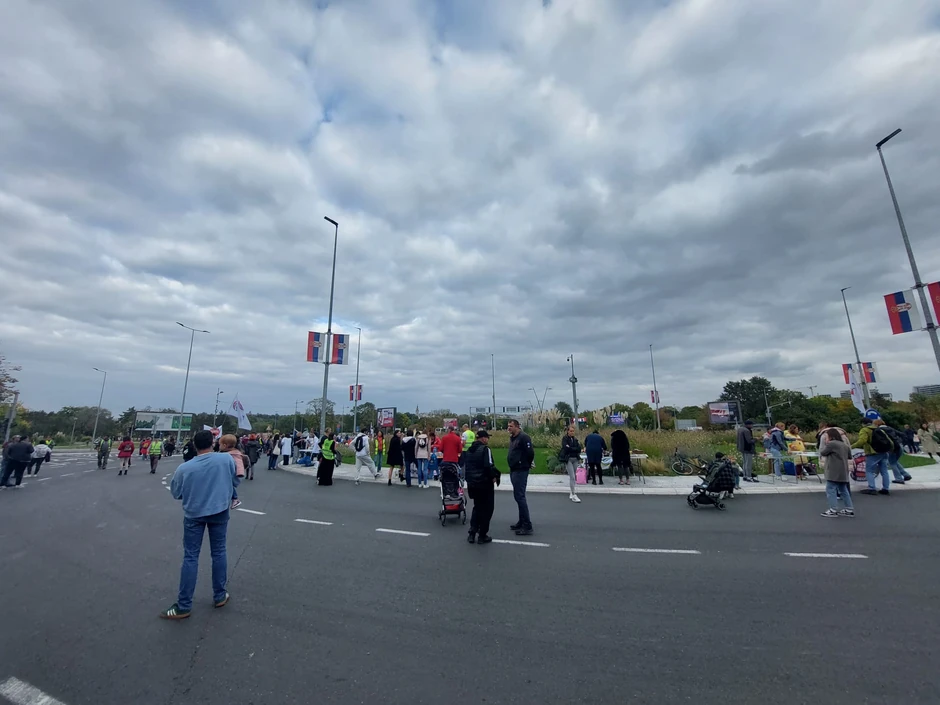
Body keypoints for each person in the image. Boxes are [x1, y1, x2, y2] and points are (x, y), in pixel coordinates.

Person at [160, 430, 237, 620]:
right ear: (213, 443)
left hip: (194, 514)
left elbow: (176, 493)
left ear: (194, 445)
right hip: (220, 511)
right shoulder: (225, 460)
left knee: (191, 557)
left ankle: (184, 605)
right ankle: (220, 595)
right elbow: (234, 479)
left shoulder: (185, 468)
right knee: (219, 551)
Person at [464, 430, 501, 544]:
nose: (487, 440)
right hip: (484, 483)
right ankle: (482, 535)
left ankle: (472, 532)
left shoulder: (469, 450)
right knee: (487, 509)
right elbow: (488, 466)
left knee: (477, 507)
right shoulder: (485, 449)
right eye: (487, 438)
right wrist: (494, 476)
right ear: (483, 438)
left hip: (472, 484)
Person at [853, 410, 891, 495]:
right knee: (884, 471)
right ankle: (886, 488)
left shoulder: (865, 430)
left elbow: (862, 441)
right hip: (884, 452)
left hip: (872, 452)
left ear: (863, 423)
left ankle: (871, 488)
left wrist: (851, 446)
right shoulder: (879, 429)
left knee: (869, 470)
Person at [507, 419, 535, 536]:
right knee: (517, 496)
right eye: (508, 426)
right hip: (514, 470)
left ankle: (527, 525)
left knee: (520, 497)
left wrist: (525, 463)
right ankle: (521, 521)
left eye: (511, 426)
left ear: (517, 427)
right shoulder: (513, 438)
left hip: (521, 470)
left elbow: (530, 453)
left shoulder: (524, 437)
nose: (509, 428)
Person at [820, 428, 855, 518]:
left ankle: (833, 509)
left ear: (830, 436)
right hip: (843, 470)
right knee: (844, 490)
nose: (825, 438)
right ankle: (849, 509)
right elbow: (849, 456)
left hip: (833, 470)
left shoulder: (831, 444)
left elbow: (823, 452)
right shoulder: (844, 445)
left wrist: (826, 443)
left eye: (827, 436)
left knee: (830, 489)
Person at [218, 434, 247, 509]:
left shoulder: (234, 454)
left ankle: (235, 498)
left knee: (228, 484)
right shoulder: (231, 453)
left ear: (224, 445)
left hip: (232, 474)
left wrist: (240, 473)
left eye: (219, 444)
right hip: (229, 474)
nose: (219, 446)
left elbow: (239, 465)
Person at [560, 425, 582, 502]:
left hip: (575, 459)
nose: (572, 432)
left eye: (573, 431)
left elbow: (579, 448)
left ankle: (571, 491)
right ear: (568, 431)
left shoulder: (575, 439)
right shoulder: (565, 439)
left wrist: (572, 449)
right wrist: (573, 449)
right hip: (569, 459)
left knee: (574, 476)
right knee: (572, 476)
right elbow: (566, 448)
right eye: (571, 431)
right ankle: (573, 494)